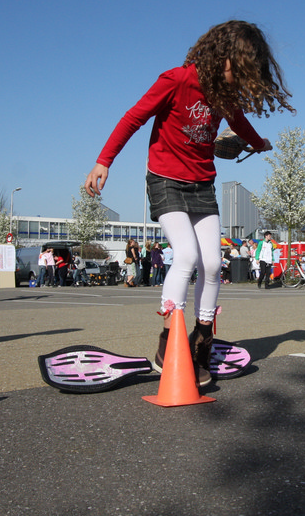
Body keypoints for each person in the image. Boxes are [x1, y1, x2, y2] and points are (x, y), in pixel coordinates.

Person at [84, 20, 290, 386]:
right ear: (221, 56)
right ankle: (169, 341)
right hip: (165, 179)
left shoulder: (224, 95)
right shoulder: (177, 80)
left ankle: (202, 339)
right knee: (186, 255)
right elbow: (133, 118)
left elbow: (239, 123)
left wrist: (258, 143)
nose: (240, 79)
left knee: (212, 262)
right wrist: (104, 161)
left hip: (201, 184)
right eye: (239, 69)